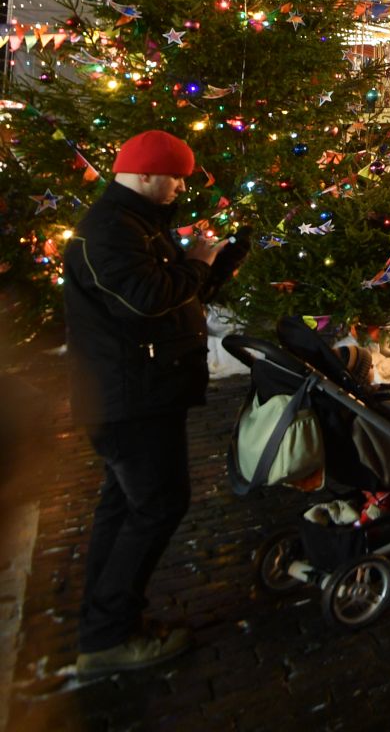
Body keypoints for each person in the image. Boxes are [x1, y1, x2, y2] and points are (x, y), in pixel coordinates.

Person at [64, 130, 246, 674]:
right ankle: (109, 636)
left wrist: (221, 263)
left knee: (124, 508)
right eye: (174, 178)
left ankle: (101, 620)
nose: (179, 188)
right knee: (157, 506)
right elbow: (146, 300)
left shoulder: (136, 223)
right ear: (145, 175)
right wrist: (197, 262)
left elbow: (173, 297)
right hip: (130, 398)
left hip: (139, 393)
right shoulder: (110, 231)